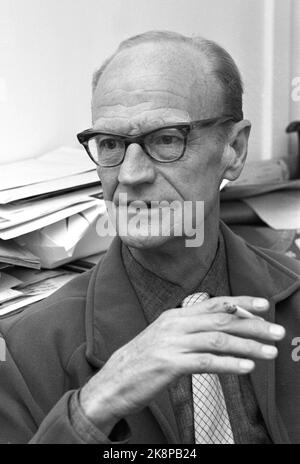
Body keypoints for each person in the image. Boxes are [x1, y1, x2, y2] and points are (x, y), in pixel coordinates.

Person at [0, 30, 300, 445]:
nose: (129, 175)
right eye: (110, 144)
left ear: (234, 149)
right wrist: (93, 408)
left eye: (166, 140)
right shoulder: (23, 349)